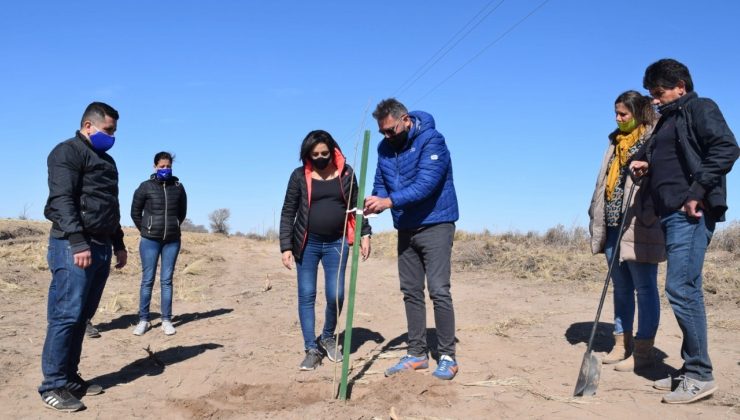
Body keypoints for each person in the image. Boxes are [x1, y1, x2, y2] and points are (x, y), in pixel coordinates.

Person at [630, 58, 739, 404]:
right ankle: (688, 370)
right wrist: (645, 162)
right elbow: (664, 156)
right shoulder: (668, 120)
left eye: (659, 92)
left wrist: (696, 193)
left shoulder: (699, 107)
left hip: (689, 212)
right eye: (652, 95)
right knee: (683, 288)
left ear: (681, 85)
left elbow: (726, 148)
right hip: (669, 215)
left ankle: (700, 375)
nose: (656, 99)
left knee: (681, 288)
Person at [40, 102, 128, 412]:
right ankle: (52, 384)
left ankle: (70, 378)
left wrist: (118, 243)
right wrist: (78, 242)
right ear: (88, 126)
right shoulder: (66, 152)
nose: (113, 136)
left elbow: (110, 206)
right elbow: (62, 200)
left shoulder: (107, 162)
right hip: (73, 245)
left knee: (82, 316)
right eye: (108, 130)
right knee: (66, 314)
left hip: (102, 244)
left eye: (115, 131)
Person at [365, 98, 460, 380]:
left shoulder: (432, 140)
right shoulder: (385, 149)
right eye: (382, 132)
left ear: (405, 120)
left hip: (436, 224)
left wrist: (389, 201)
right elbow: (380, 183)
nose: (386, 136)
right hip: (406, 227)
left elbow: (427, 184)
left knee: (439, 290)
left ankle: (447, 356)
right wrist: (373, 204)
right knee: (410, 291)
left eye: (391, 130)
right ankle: (417, 353)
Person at [280, 130, 372, 371]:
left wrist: (365, 233)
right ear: (308, 155)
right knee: (307, 294)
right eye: (315, 154)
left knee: (336, 294)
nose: (320, 157)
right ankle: (311, 348)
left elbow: (357, 207)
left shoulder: (347, 173)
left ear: (333, 151)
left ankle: (328, 336)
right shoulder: (299, 175)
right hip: (306, 244)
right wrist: (286, 246)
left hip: (337, 243)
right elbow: (288, 211)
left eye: (325, 153)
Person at [588, 91, 665, 373]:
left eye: (624, 114)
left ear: (639, 113)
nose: (618, 119)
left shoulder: (654, 139)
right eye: (616, 114)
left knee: (644, 288)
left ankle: (644, 350)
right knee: (620, 287)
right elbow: (603, 183)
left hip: (641, 223)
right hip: (611, 224)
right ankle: (621, 344)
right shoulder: (614, 142)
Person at [130, 152, 188, 336]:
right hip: (149, 240)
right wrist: (146, 229)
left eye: (168, 166)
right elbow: (135, 212)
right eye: (162, 166)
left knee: (166, 280)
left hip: (172, 241)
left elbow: (182, 213)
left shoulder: (178, 187)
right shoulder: (145, 187)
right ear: (155, 166)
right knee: (147, 280)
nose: (165, 169)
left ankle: (166, 320)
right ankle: (144, 320)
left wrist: (173, 226)